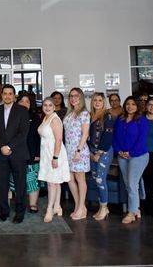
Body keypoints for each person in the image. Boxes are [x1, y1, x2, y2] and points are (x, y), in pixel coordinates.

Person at [0, 84, 30, 223]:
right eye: (5, 93)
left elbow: (23, 132)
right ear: (1, 95)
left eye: (10, 93)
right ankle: (4, 212)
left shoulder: (22, 110)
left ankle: (19, 213)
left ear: (14, 96)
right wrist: (2, 146)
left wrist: (9, 146)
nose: (7, 96)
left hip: (18, 153)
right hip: (1, 154)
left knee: (20, 186)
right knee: (2, 185)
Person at [113, 96, 149, 224]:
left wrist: (131, 153)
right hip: (122, 156)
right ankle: (136, 208)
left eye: (133, 104)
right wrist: (119, 151)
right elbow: (115, 137)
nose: (130, 106)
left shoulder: (142, 120)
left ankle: (131, 212)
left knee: (132, 184)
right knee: (129, 183)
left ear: (138, 106)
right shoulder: (120, 119)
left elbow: (142, 140)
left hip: (138, 156)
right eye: (128, 104)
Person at [37, 97, 70, 223]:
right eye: (45, 105)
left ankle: (49, 209)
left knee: (52, 183)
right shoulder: (45, 117)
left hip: (54, 153)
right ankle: (57, 206)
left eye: (50, 105)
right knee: (55, 182)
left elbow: (59, 140)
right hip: (46, 152)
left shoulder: (55, 119)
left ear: (54, 107)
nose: (47, 107)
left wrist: (55, 157)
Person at [87, 92, 115, 220]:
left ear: (104, 102)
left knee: (100, 180)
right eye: (95, 100)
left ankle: (104, 207)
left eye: (100, 100)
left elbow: (108, 136)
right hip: (92, 151)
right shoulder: (90, 116)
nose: (97, 103)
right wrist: (90, 152)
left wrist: (98, 153)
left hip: (103, 152)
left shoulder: (107, 116)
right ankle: (102, 206)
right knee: (94, 179)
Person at [63, 88, 90, 220]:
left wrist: (78, 151)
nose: (73, 98)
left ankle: (81, 208)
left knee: (80, 178)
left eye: (76, 96)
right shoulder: (69, 114)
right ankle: (79, 206)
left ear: (81, 97)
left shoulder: (84, 113)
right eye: (71, 96)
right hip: (68, 151)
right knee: (69, 178)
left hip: (79, 151)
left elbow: (85, 134)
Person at [15, 93, 42, 213]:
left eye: (27, 101)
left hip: (32, 153)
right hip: (16, 154)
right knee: (17, 179)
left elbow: (39, 137)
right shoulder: (13, 117)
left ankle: (32, 204)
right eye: (22, 101)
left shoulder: (35, 117)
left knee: (32, 180)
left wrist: (38, 153)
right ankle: (20, 202)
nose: (25, 103)